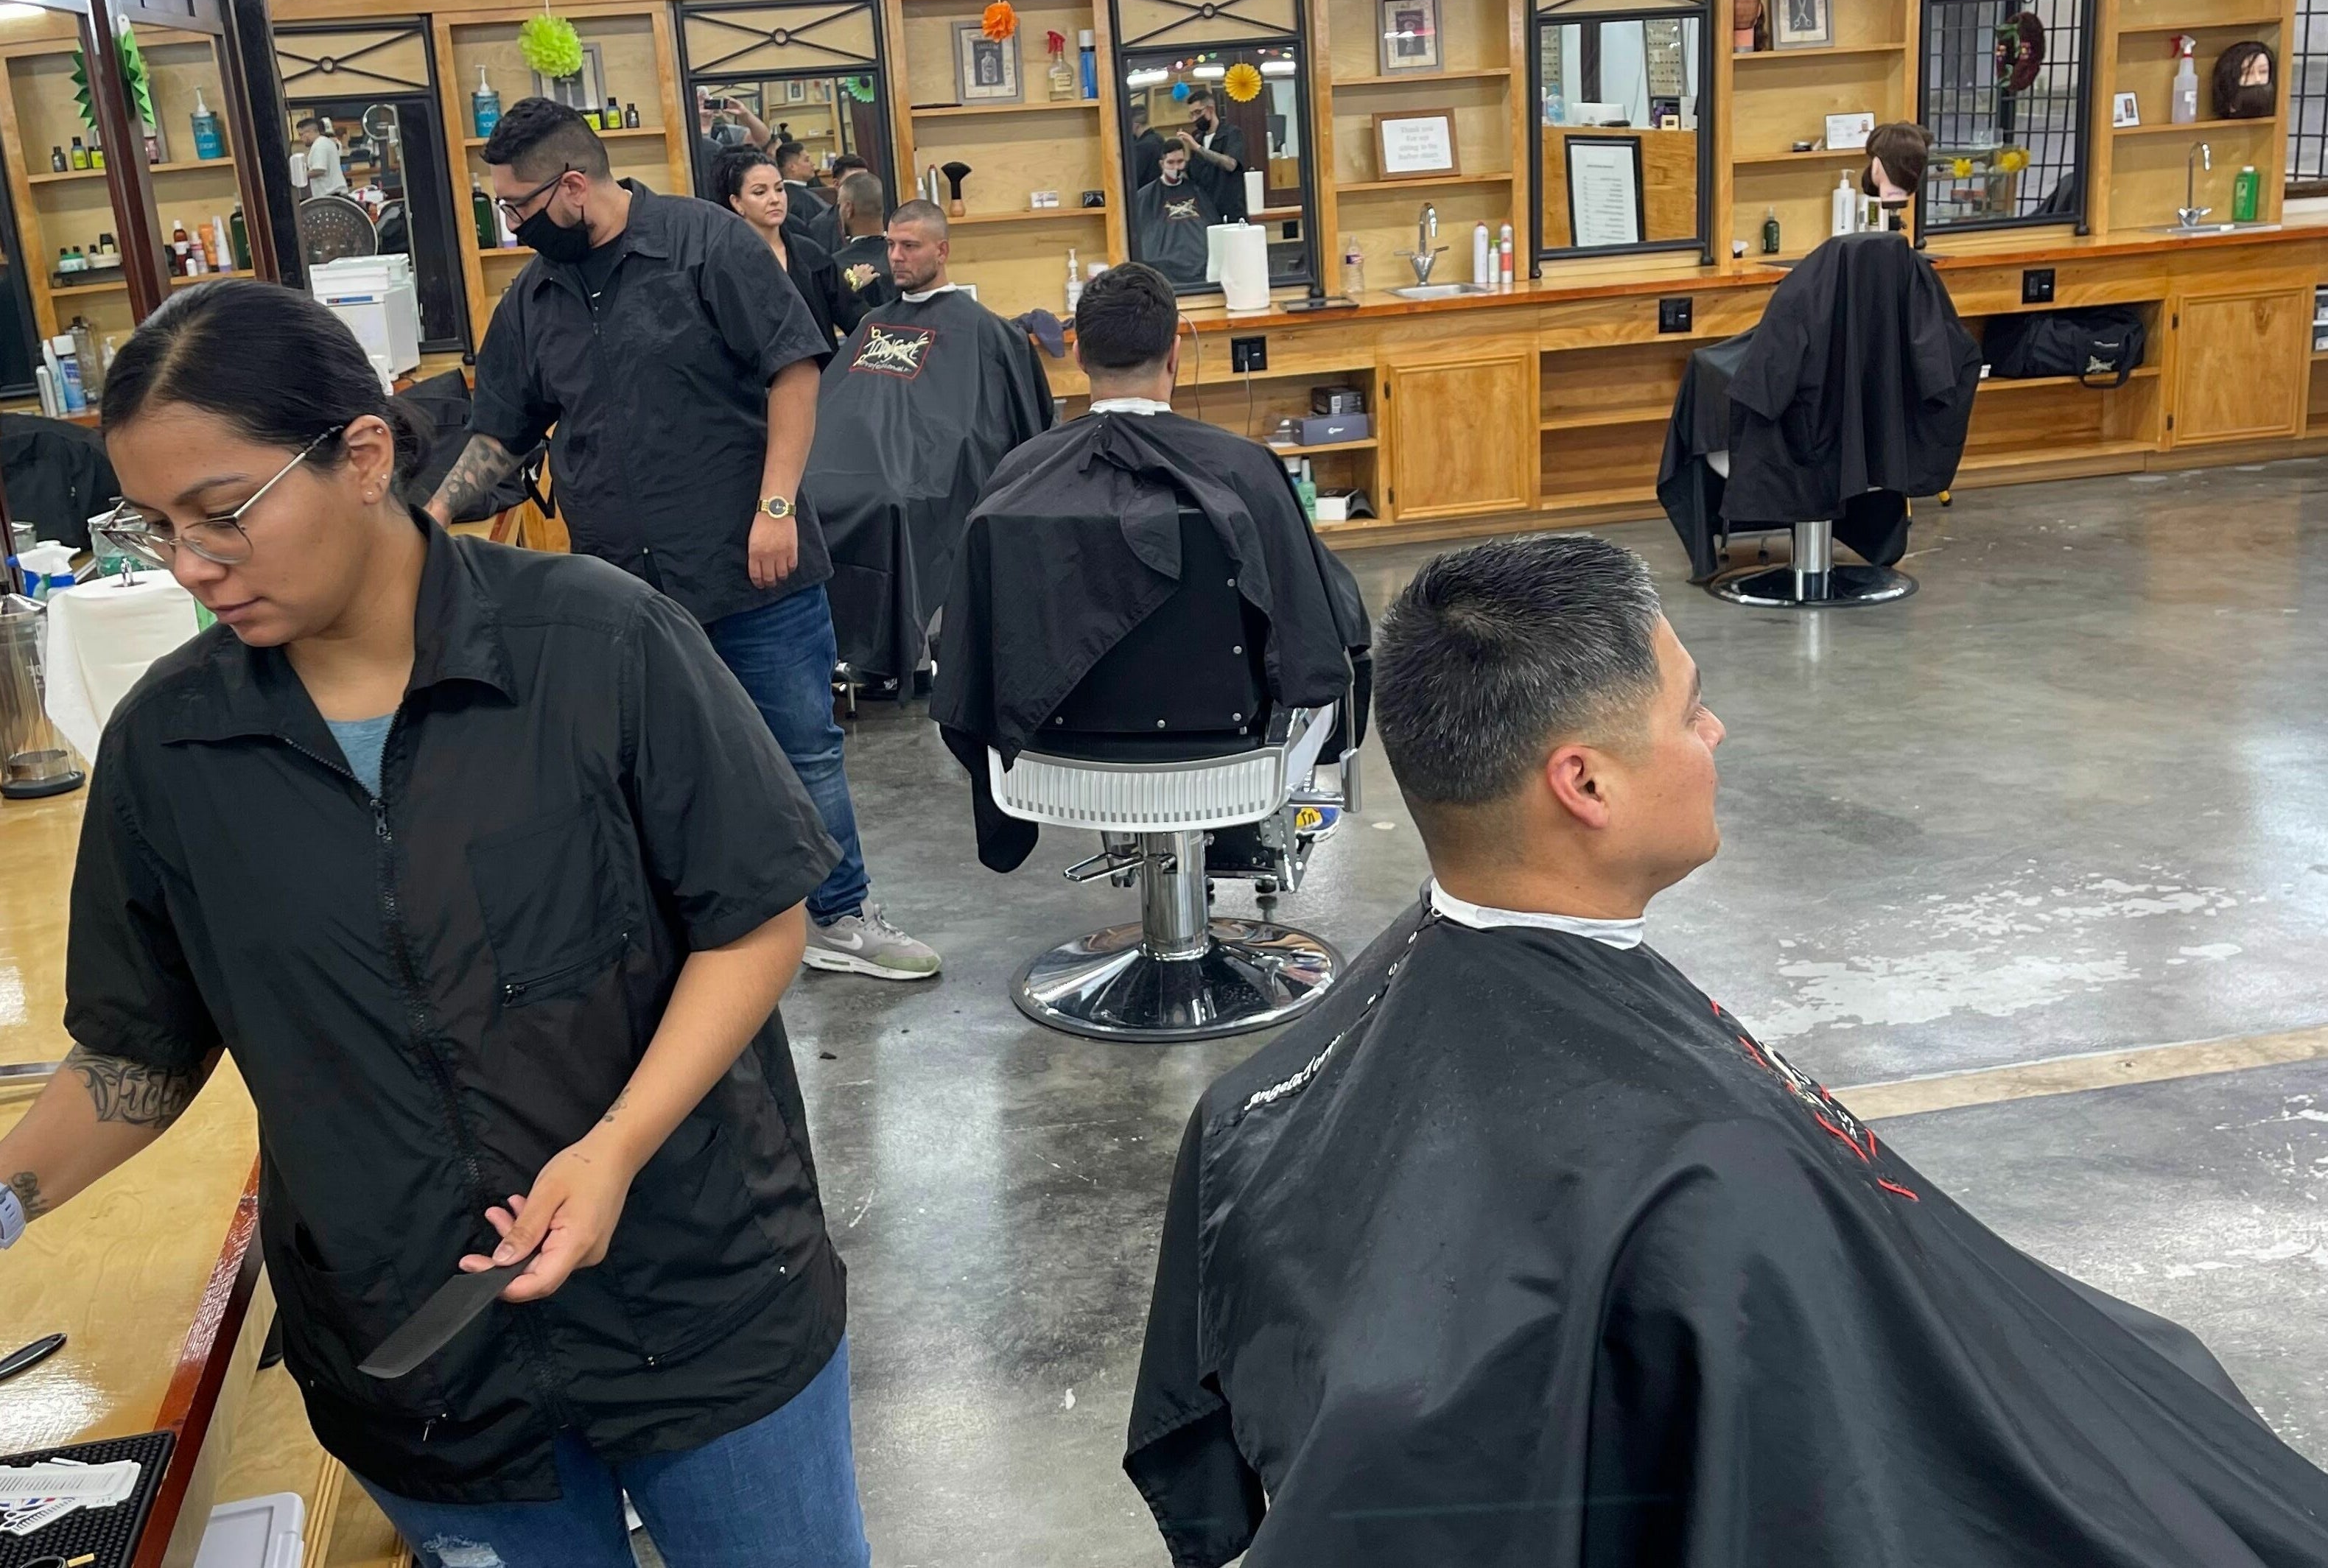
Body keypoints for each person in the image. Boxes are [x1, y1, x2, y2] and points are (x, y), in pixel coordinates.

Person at [1126, 530, 2328, 1567]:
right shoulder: (1708, 1179)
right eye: (1688, 708)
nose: (1718, 729)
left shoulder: (1253, 1102)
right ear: (1585, 782)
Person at [0, 278, 871, 1567]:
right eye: (157, 525)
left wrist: (615, 1147)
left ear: (363, 455)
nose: (190, 564)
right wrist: (8, 1196)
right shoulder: (171, 748)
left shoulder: (599, 645)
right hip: (424, 1363)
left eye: (224, 512)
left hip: (698, 1300)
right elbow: (142, 1047)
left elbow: (755, 923)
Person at [428, 98, 939, 981]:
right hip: (623, 591)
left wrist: (775, 507)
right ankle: (682, 938)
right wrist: (431, 518)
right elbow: (502, 432)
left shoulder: (706, 245)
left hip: (751, 562)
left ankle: (840, 915)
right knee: (651, 768)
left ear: (573, 186)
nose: (510, 226)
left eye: (517, 206)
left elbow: (794, 370)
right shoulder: (533, 299)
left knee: (800, 749)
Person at [933, 262, 1369, 872]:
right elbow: (1313, 626)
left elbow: (966, 645)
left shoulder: (1017, 479)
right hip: (1234, 759)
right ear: (1175, 354)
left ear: (1078, 355)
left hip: (1054, 757)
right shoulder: (1247, 470)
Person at [808, 198, 1055, 693]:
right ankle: (825, 648)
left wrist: (925, 460)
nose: (895, 257)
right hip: (855, 467)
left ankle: (890, 656)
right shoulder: (873, 323)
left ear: (942, 251)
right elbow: (837, 404)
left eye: (910, 246)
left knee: (894, 504)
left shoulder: (985, 331)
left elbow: (995, 428)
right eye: (891, 246)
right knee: (808, 494)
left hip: (928, 474)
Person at [715, 145, 866, 356]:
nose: (775, 199)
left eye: (779, 189)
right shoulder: (724, 264)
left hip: (821, 368)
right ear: (737, 202)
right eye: (760, 192)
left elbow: (853, 315)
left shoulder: (810, 254)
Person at [1132, 144, 1221, 284]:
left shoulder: (1197, 190)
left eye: (1180, 162)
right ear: (1162, 164)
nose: (1176, 167)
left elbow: (1213, 224)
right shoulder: (1146, 196)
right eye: (1171, 162)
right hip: (1164, 267)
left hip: (1199, 263)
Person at [1174, 83, 1246, 222]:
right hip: (1205, 213)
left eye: (1197, 113)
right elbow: (1193, 175)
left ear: (1210, 109)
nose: (1194, 119)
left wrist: (1198, 148)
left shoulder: (1232, 133)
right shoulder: (1197, 138)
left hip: (1230, 213)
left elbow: (1231, 164)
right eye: (1191, 114)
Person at [830, 170, 896, 307]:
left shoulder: (836, 266)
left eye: (840, 205)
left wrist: (853, 284)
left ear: (848, 209)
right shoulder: (905, 259)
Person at [774, 138, 834, 237]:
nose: (812, 164)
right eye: (807, 160)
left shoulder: (786, 194)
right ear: (792, 167)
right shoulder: (800, 199)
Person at [297, 115, 348, 197]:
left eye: (301, 134)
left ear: (309, 132)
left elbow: (319, 170)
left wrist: (299, 176)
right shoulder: (325, 142)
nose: (300, 138)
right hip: (333, 194)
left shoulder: (319, 145)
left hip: (330, 195)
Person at [1127, 101, 1165, 191]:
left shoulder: (1142, 146)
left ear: (1135, 125)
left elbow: (1136, 177)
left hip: (1146, 192)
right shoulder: (1159, 138)